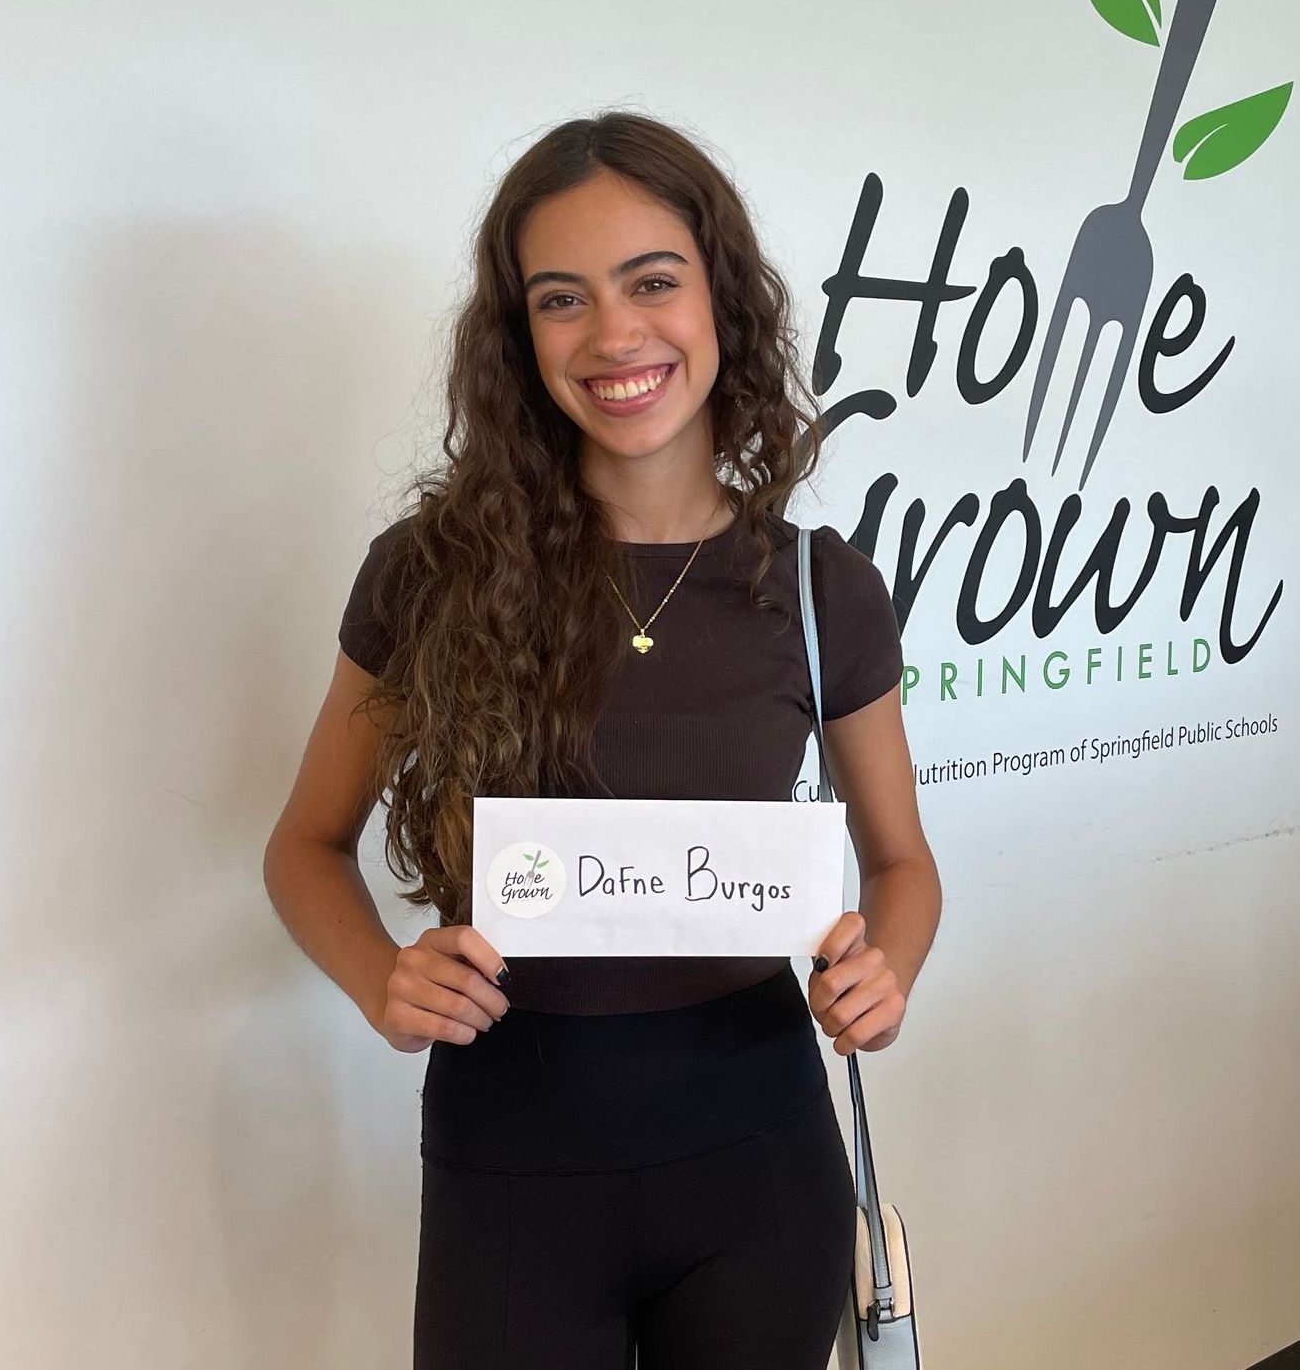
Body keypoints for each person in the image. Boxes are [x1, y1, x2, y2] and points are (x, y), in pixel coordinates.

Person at [264, 109, 942, 1370]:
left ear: (719, 298)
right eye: (561, 299)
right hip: (508, 1159)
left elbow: (901, 863)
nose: (615, 335)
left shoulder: (819, 590)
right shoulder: (428, 574)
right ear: (518, 339)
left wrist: (881, 972)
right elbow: (303, 845)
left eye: (652, 282)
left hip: (759, 1158)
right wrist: (379, 979)